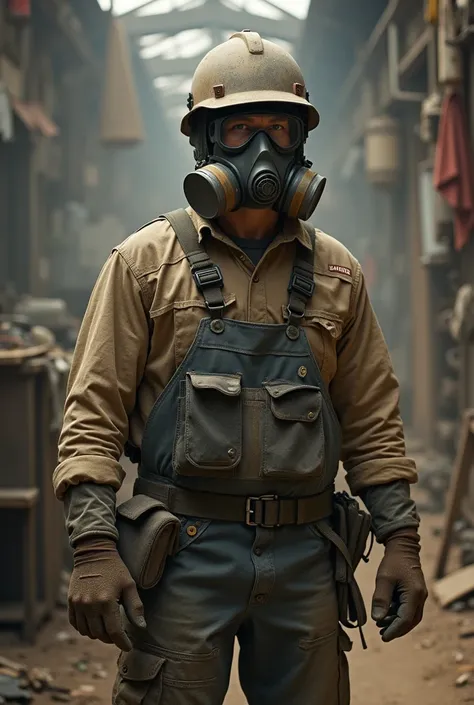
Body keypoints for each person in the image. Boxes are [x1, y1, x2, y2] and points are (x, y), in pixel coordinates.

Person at [53, 30, 428, 705]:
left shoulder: (338, 272)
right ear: (205, 143)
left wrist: (400, 538)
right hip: (182, 555)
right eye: (240, 130)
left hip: (306, 557)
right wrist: (92, 546)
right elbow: (92, 416)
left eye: (279, 129)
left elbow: (372, 417)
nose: (262, 151)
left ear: (300, 144)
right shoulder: (144, 263)